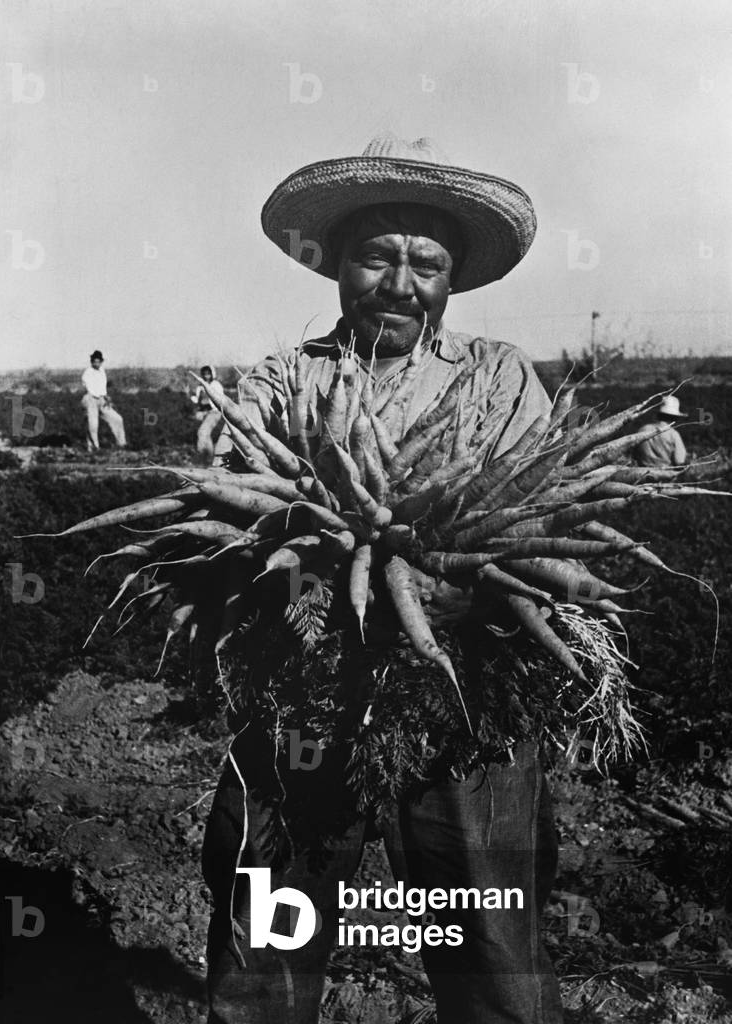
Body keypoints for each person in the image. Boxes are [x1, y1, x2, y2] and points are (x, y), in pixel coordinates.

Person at [203, 134, 563, 1024]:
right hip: (306, 693)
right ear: (337, 265)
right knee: (268, 943)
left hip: (465, 702)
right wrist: (297, 588)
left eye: (426, 263)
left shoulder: (500, 378)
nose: (400, 283)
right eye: (377, 256)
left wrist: (470, 589)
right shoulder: (285, 380)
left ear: (451, 278)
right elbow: (236, 525)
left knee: (490, 952)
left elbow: (539, 524)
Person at [80, 350, 126, 451]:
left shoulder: (102, 371)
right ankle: (94, 448)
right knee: (93, 424)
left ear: (101, 362)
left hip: (101, 399)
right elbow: (90, 388)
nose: (96, 363)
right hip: (90, 399)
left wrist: (106, 396)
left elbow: (102, 387)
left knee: (117, 419)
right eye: (95, 361)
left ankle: (121, 444)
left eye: (98, 361)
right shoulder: (87, 373)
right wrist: (98, 396)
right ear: (92, 362)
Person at [634, 395, 687, 467]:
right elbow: (679, 461)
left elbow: (634, 455)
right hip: (665, 474)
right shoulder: (673, 434)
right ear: (674, 418)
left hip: (641, 473)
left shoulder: (642, 430)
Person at [194, 365, 225, 464]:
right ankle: (210, 458)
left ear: (212, 375)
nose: (206, 376)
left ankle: (201, 455)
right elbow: (197, 400)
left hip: (214, 412)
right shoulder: (200, 387)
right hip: (203, 412)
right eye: (204, 374)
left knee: (202, 432)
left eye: (208, 374)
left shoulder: (216, 385)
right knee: (205, 435)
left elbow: (219, 400)